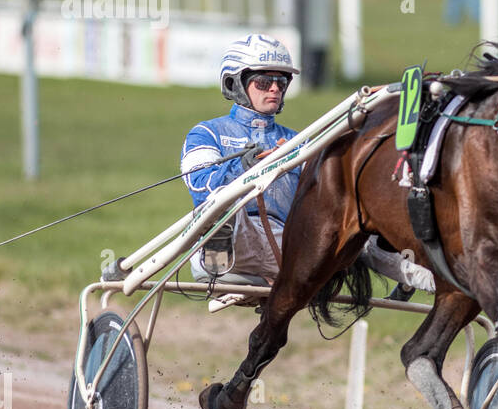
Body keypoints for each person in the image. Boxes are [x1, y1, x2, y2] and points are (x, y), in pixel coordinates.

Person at [182, 34, 433, 293]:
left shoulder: (298, 141)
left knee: (358, 221)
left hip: (290, 245)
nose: (275, 89)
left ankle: (423, 279)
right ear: (235, 83)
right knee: (222, 203)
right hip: (235, 242)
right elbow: (199, 187)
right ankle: (219, 247)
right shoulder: (206, 133)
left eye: (281, 82)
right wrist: (242, 169)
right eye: (264, 81)